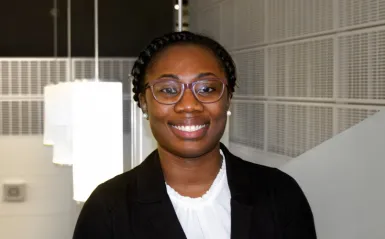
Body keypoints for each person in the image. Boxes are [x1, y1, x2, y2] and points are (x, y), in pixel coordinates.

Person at [73, 31, 317, 239]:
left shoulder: (279, 193)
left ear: (228, 98)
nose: (189, 105)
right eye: (168, 90)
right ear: (144, 103)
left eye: (207, 89)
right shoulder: (108, 209)